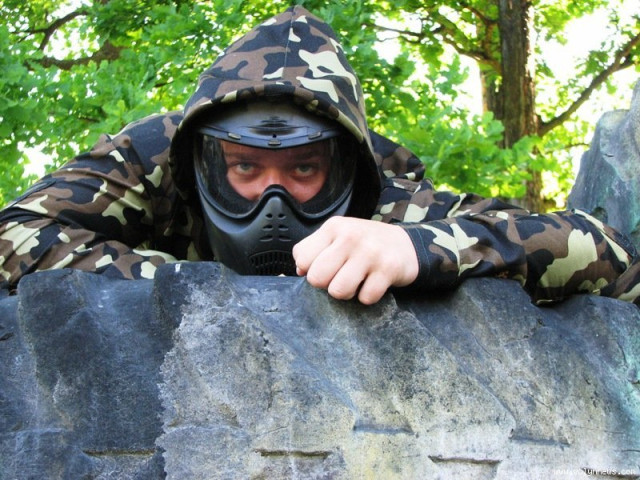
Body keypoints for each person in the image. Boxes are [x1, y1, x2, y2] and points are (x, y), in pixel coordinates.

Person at [0, 6, 638, 306]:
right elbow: (13, 233)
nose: (272, 197)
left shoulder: (380, 195)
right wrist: (185, 287)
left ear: (344, 167)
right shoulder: (158, 156)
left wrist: (419, 250)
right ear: (206, 160)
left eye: (303, 168)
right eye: (245, 167)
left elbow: (613, 257)